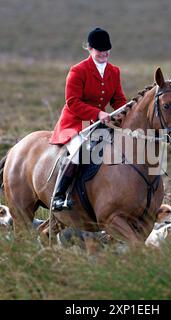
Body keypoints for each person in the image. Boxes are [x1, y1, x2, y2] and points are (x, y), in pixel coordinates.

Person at [49, 27, 127, 211]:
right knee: (80, 151)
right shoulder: (78, 70)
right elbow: (72, 102)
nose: (104, 53)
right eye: (100, 50)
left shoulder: (114, 71)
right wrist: (98, 113)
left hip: (99, 124)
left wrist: (124, 113)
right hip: (75, 123)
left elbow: (119, 100)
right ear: (90, 49)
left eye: (107, 50)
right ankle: (58, 196)